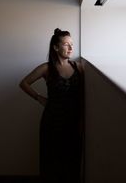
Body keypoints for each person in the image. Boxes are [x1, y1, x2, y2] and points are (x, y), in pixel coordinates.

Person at [19, 28, 84, 183]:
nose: (70, 48)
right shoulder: (47, 68)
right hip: (52, 122)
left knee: (71, 162)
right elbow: (24, 83)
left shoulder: (78, 67)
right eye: (66, 44)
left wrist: (82, 119)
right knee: (52, 162)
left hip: (73, 122)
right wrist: (39, 98)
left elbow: (82, 96)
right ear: (55, 47)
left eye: (72, 44)